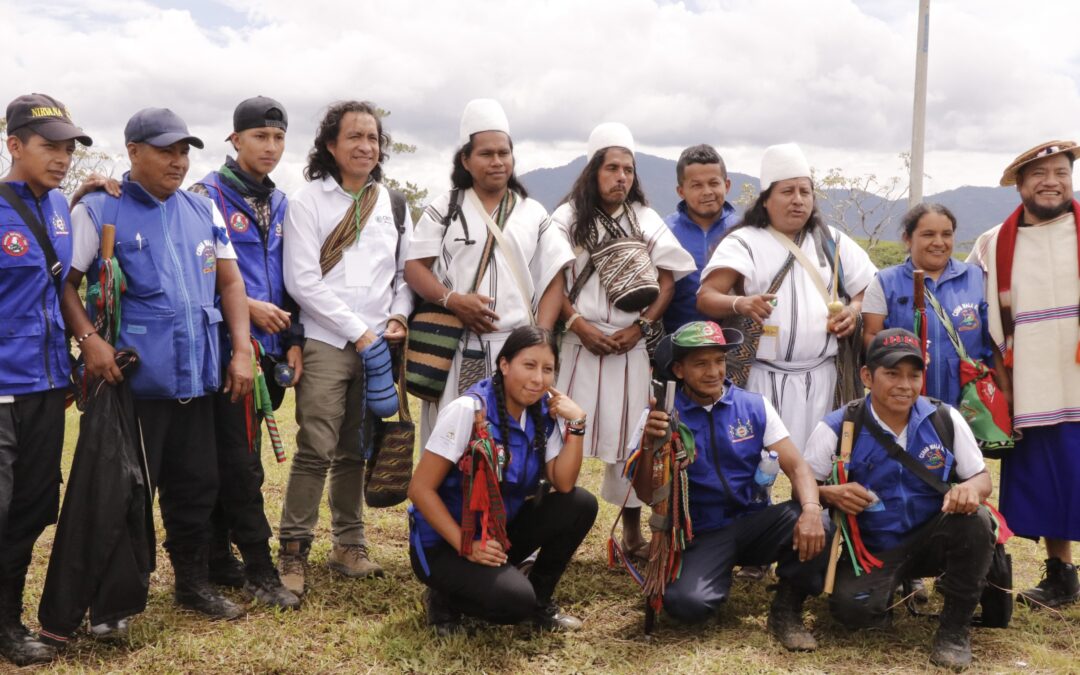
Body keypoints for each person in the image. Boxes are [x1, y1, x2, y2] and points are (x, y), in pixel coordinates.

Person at [62, 108, 254, 621]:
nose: (178, 161)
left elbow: (231, 283)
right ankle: (119, 598)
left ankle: (192, 585)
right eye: (166, 151)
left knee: (196, 486)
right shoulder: (101, 208)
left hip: (197, 377)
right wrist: (90, 340)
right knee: (127, 493)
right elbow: (66, 284)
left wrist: (241, 349)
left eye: (184, 151)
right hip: (133, 384)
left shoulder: (202, 209)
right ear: (133, 152)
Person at [277, 101, 413, 596]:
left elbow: (404, 275)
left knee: (357, 450)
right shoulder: (308, 202)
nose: (365, 146)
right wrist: (359, 330)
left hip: (378, 345)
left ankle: (348, 545)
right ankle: (292, 550)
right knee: (316, 445)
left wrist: (397, 315)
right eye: (354, 137)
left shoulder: (393, 205)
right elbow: (302, 280)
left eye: (373, 138)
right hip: (328, 341)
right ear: (331, 145)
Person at [804, 328, 995, 669]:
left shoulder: (944, 418)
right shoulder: (838, 425)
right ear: (867, 375)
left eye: (914, 375)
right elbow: (803, 487)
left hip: (933, 536)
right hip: (874, 547)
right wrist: (827, 493)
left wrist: (969, 490)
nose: (905, 385)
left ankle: (954, 630)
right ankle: (889, 588)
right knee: (853, 614)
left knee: (977, 519)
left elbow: (981, 477)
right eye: (892, 374)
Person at [550, 122, 695, 562]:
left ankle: (631, 536)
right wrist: (576, 324)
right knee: (559, 436)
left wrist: (640, 328)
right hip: (579, 346)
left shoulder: (646, 219)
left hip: (630, 349)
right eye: (612, 168)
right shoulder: (566, 219)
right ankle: (552, 531)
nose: (621, 177)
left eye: (628, 169)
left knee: (633, 442)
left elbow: (668, 280)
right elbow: (551, 279)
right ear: (594, 171)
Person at [641, 321, 829, 650]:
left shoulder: (753, 405)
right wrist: (649, 445)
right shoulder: (661, 416)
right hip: (701, 532)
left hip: (755, 522)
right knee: (686, 605)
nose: (713, 371)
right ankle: (715, 572)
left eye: (719, 361)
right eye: (701, 363)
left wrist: (812, 510)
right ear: (679, 370)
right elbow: (645, 493)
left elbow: (797, 466)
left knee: (819, 521)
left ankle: (787, 607)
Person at [407, 326, 597, 634]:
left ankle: (540, 605)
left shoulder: (539, 416)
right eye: (529, 365)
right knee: (512, 602)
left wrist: (576, 424)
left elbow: (563, 483)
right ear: (504, 365)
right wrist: (466, 545)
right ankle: (444, 598)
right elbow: (419, 488)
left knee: (579, 504)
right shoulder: (469, 410)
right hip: (443, 543)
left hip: (495, 534)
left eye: (548, 369)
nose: (538, 379)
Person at [404, 98, 571, 447]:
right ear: (466, 159)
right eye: (486, 154)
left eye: (503, 153)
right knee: (454, 442)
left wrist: (539, 335)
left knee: (516, 441)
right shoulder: (445, 207)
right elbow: (414, 268)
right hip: (457, 348)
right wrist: (453, 300)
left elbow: (556, 277)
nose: (497, 161)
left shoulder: (532, 212)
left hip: (517, 352)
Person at [188, 96, 301, 610]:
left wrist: (293, 340)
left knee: (232, 458)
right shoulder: (202, 195)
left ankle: (217, 557)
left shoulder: (282, 204)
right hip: (225, 350)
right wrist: (247, 307)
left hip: (273, 355)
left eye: (278, 137)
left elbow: (294, 281)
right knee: (238, 463)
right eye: (260, 136)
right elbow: (189, 274)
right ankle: (258, 566)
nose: (270, 147)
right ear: (235, 140)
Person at [697, 143, 877, 450]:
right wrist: (740, 303)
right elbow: (706, 296)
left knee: (823, 462)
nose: (798, 200)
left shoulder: (832, 241)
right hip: (762, 378)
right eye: (787, 191)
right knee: (759, 466)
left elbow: (870, 289)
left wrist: (854, 311)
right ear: (766, 199)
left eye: (805, 192)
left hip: (826, 377)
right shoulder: (745, 242)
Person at [967, 141, 1080, 608]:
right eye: (1040, 174)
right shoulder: (994, 243)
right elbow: (976, 315)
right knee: (1050, 479)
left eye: (1060, 171)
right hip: (1030, 386)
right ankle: (1061, 575)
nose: (1051, 181)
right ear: (1020, 184)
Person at [0, 93, 91, 666]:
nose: (61, 158)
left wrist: (85, 345)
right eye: (48, 147)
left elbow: (61, 285)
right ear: (14, 146)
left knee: (32, 507)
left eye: (67, 148)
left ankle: (8, 622)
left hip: (46, 385)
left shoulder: (60, 207)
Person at [862, 203, 998, 406]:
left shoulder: (978, 278)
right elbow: (871, 334)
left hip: (970, 400)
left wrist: (1004, 390)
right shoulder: (884, 282)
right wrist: (898, 358)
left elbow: (995, 339)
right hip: (906, 396)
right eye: (928, 234)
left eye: (946, 234)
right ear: (907, 239)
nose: (939, 242)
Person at [662, 145, 739, 335]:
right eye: (696, 185)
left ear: (727, 185)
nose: (707, 192)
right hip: (676, 344)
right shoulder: (663, 232)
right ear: (681, 191)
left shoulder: (744, 232)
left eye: (714, 183)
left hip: (732, 345)